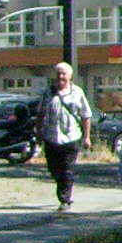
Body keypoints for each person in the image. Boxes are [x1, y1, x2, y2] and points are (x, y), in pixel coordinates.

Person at [36, 61, 94, 210]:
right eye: (58, 74)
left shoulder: (77, 92)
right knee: (54, 169)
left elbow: (86, 115)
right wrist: (39, 134)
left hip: (71, 137)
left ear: (70, 76)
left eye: (64, 74)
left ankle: (65, 200)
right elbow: (40, 114)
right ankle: (62, 186)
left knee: (67, 169)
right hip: (51, 137)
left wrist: (87, 137)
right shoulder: (48, 92)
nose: (61, 76)